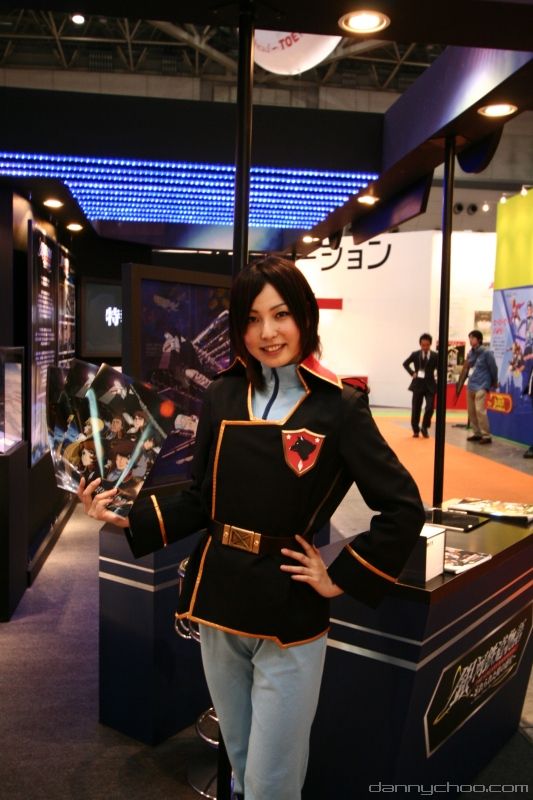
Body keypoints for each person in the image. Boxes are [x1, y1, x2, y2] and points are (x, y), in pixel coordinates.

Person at [78, 256, 425, 800]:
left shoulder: (339, 406)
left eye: (281, 314)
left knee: (272, 782)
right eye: (253, 319)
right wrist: (121, 512)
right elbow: (201, 499)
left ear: (304, 316)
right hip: (219, 603)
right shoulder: (222, 394)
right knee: (240, 766)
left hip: (290, 614)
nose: (268, 333)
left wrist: (339, 577)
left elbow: (402, 508)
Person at [457, 329, 498, 444]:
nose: (470, 340)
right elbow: (467, 368)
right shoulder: (471, 353)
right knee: (471, 411)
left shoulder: (487, 352)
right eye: (469, 338)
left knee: (480, 410)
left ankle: (486, 435)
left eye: (473, 338)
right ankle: (477, 433)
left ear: (479, 339)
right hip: (471, 384)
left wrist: (494, 381)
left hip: (482, 384)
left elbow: (493, 368)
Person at [402, 333, 438, 438]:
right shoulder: (415, 354)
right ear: (420, 344)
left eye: (427, 345)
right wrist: (412, 373)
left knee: (430, 408)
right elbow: (405, 364)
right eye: (423, 345)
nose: (425, 347)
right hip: (418, 384)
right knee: (416, 408)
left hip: (430, 385)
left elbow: (440, 368)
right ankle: (416, 429)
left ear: (430, 344)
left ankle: (424, 427)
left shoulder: (435, 356)